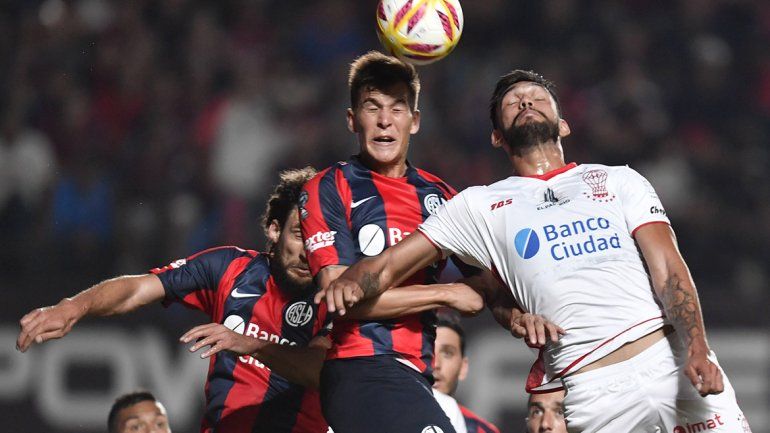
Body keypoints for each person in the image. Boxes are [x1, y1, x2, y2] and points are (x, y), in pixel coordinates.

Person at [317, 70, 751, 432]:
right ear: (496, 136)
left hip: (672, 361)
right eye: (512, 102)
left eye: (537, 97)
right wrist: (349, 285)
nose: (525, 101)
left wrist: (697, 346)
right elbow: (390, 265)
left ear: (564, 124)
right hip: (594, 391)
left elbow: (669, 270)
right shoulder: (477, 206)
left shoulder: (619, 180)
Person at [17, 167, 484, 433]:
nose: (312, 249)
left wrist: (250, 345)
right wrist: (73, 307)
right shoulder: (230, 269)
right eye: (301, 234)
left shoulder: (342, 294)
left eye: (320, 237)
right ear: (274, 230)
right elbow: (140, 287)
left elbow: (321, 372)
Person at [299, 51, 550, 433]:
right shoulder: (328, 188)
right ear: (352, 119)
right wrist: (444, 294)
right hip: (358, 367)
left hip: (415, 373)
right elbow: (340, 297)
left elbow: (487, 286)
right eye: (372, 107)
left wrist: (518, 317)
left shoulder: (441, 197)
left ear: (414, 121)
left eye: (397, 108)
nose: (385, 120)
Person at [433, 312, 500, 433]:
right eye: (427, 352)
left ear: (463, 367)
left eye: (447, 353)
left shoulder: (482, 431)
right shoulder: (394, 420)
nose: (436, 364)